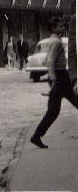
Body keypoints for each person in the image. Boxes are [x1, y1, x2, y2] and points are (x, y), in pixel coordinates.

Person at [30, 17, 78, 148]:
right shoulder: (56, 41)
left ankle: (36, 136)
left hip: (59, 77)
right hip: (61, 77)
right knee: (73, 101)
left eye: (63, 26)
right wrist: (54, 80)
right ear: (53, 28)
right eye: (60, 26)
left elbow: (47, 60)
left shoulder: (52, 40)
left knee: (53, 111)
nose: (63, 28)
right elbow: (50, 61)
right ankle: (36, 135)